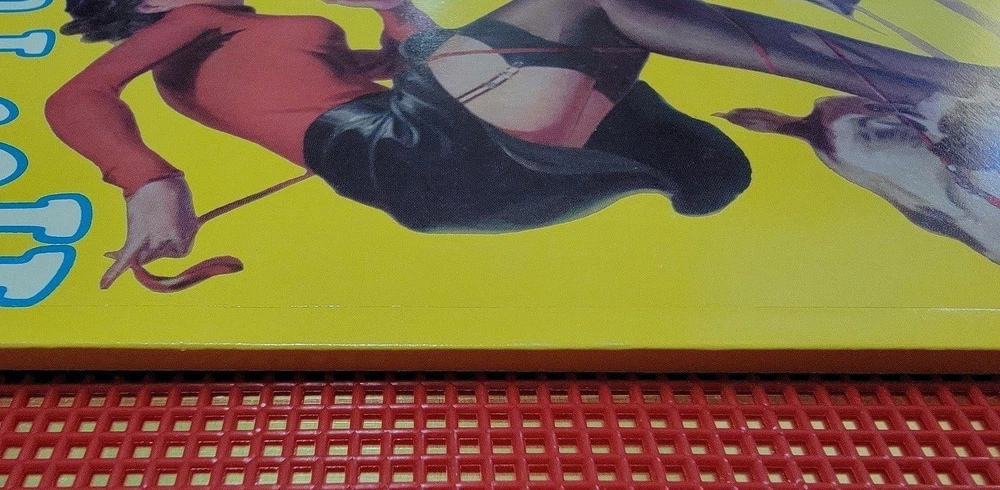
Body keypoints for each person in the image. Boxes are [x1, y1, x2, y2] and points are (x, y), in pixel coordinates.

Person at [46, 0, 996, 289]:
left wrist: (396, 24)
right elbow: (76, 95)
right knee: (591, 4)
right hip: (422, 149)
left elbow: (384, 71)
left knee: (637, 59)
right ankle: (941, 85)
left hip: (449, 177)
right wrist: (146, 179)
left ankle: (929, 129)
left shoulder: (228, 50)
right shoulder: (189, 23)